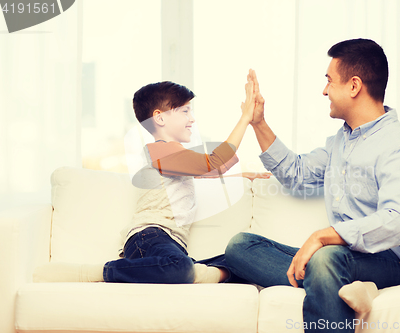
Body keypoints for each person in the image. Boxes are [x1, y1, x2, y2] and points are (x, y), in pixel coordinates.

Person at [225, 39, 400, 332]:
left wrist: (324, 237)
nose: (324, 91)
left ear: (354, 86)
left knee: (324, 260)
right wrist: (258, 122)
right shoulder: (340, 142)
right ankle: (354, 286)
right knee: (240, 246)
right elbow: (295, 173)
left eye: (329, 81)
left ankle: (341, 279)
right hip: (346, 258)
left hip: (396, 261)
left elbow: (397, 222)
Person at [34, 70, 269, 284]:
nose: (192, 118)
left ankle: (191, 271)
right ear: (160, 117)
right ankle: (98, 273)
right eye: (185, 111)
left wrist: (247, 176)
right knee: (179, 267)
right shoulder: (159, 151)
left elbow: (209, 171)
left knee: (241, 261)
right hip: (148, 237)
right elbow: (214, 163)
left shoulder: (175, 158)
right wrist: (245, 118)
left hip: (169, 244)